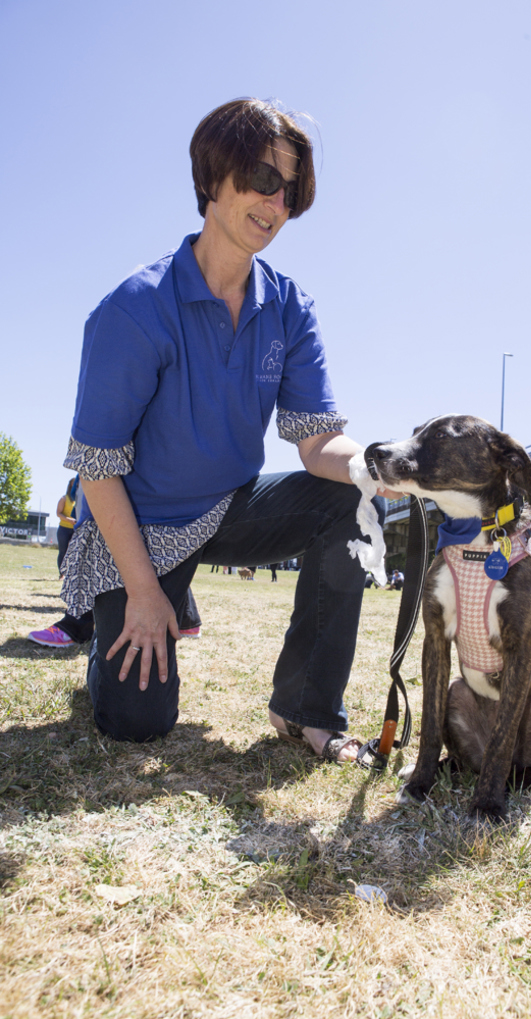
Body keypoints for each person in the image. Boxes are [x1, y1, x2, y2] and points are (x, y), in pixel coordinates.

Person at [59, 98, 394, 760]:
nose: (276, 204)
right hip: (139, 528)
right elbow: (97, 470)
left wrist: (383, 468)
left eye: (290, 190)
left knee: (350, 500)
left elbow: (317, 441)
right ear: (213, 179)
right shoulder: (133, 308)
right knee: (136, 722)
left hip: (232, 508)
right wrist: (147, 595)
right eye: (263, 179)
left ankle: (305, 711)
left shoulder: (290, 307)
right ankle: (111, 628)